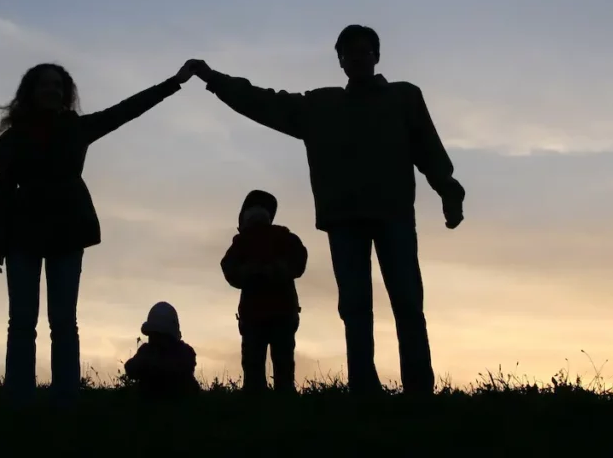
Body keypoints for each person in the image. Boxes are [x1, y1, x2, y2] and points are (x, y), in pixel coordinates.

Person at [187, 24, 465, 397]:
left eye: (364, 52)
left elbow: (428, 149)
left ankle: (418, 390)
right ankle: (364, 389)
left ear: (377, 56)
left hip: (393, 214)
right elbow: (264, 102)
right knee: (354, 308)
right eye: (349, 54)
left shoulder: (403, 98)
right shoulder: (321, 106)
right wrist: (213, 79)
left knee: (408, 302)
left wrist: (448, 189)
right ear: (340, 62)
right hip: (345, 220)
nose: (357, 59)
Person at [0, 61, 195, 405]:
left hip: (67, 231)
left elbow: (126, 110)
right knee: (21, 322)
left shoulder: (76, 128)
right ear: (31, 92)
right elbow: (3, 191)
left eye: (58, 85)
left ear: (65, 94)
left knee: (64, 321)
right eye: (45, 85)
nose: (52, 90)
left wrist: (174, 83)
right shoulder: (13, 140)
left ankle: (66, 397)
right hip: (22, 233)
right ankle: (19, 398)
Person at [220, 189, 308, 393]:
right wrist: (271, 270)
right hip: (278, 314)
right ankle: (281, 400)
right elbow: (299, 261)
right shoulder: (284, 237)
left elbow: (229, 267)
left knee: (255, 366)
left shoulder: (243, 242)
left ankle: (257, 401)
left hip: (259, 316)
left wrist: (254, 272)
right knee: (282, 364)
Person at [123, 301, 200, 400]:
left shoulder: (183, 353)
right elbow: (131, 368)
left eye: (157, 335)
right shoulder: (147, 351)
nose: (153, 339)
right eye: (152, 335)